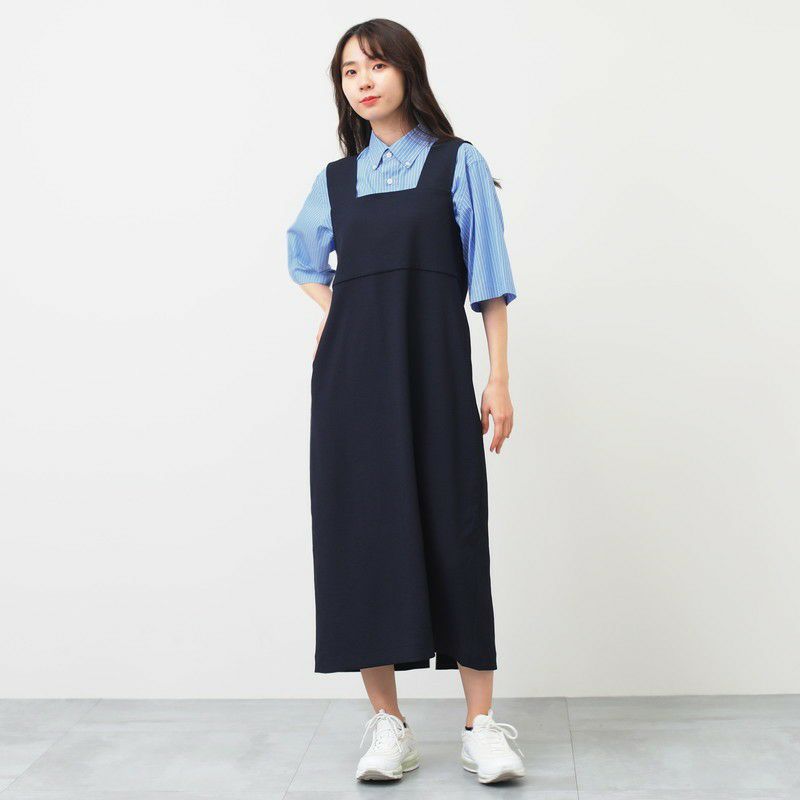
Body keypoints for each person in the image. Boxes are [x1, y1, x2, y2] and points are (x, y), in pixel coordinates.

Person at [286, 18, 525, 785]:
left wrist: (498, 378)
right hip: (352, 380)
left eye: (377, 65)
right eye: (349, 70)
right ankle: (387, 724)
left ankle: (481, 726)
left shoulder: (457, 162)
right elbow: (302, 258)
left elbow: (489, 279)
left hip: (435, 372)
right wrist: (340, 314)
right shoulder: (337, 179)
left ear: (407, 72)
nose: (362, 80)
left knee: (455, 527)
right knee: (363, 534)